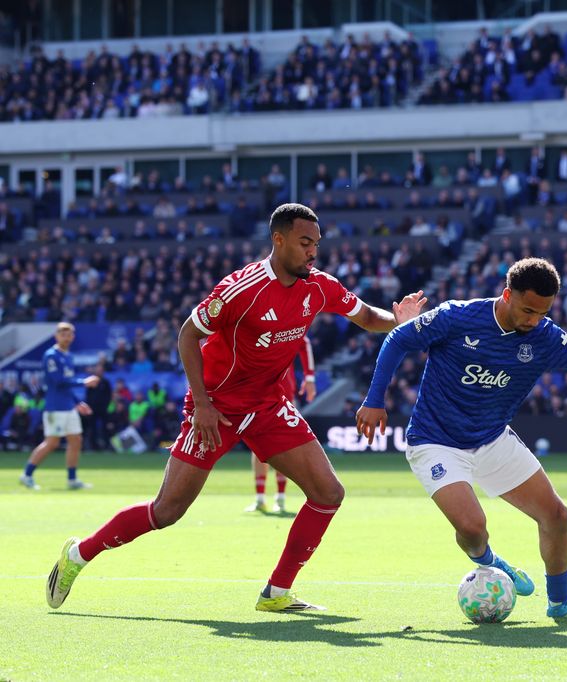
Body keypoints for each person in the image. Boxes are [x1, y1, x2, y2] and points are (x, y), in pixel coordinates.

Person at [45, 203, 427, 612]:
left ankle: (277, 592)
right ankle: (78, 555)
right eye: (304, 243)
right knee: (168, 510)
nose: (313, 252)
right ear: (278, 240)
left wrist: (398, 319)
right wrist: (204, 406)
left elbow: (367, 317)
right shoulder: (240, 289)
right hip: (216, 410)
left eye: (316, 243)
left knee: (328, 492)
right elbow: (187, 336)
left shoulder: (319, 286)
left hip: (266, 406)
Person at [356, 258, 567, 619]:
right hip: (435, 441)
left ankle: (560, 602)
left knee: (556, 515)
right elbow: (398, 338)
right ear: (507, 295)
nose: (534, 320)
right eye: (527, 310)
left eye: (543, 312)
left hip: (492, 440)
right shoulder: (458, 317)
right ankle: (491, 562)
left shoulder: (545, 337)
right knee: (473, 528)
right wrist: (374, 399)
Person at [19, 322, 100, 491]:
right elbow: (58, 381)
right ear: (56, 336)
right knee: (52, 443)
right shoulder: (51, 356)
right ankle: (26, 475)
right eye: (63, 334)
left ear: (73, 337)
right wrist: (83, 382)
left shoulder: (68, 357)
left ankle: (72, 480)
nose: (66, 337)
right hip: (55, 408)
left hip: (68, 407)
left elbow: (67, 385)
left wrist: (78, 403)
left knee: (76, 440)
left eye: (69, 334)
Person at [245, 336, 316, 514]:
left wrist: (309, 377)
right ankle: (260, 498)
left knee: (280, 445)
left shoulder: (283, 324)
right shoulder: (254, 325)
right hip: (255, 391)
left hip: (281, 391)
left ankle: (280, 497)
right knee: (257, 444)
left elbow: (304, 342)